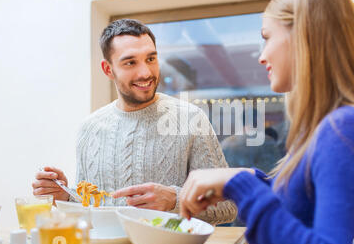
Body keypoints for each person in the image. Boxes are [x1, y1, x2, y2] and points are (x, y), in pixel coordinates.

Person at [179, 0, 354, 244]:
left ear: (304, 36)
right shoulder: (335, 127)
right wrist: (247, 179)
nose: (262, 56)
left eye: (267, 37)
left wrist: (243, 186)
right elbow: (306, 206)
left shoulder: (345, 130)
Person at [32, 19, 237, 225]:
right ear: (108, 69)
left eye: (150, 59)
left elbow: (228, 207)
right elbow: (90, 209)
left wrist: (176, 199)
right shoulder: (89, 129)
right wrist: (65, 197)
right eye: (130, 62)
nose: (145, 73)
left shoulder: (191, 119)